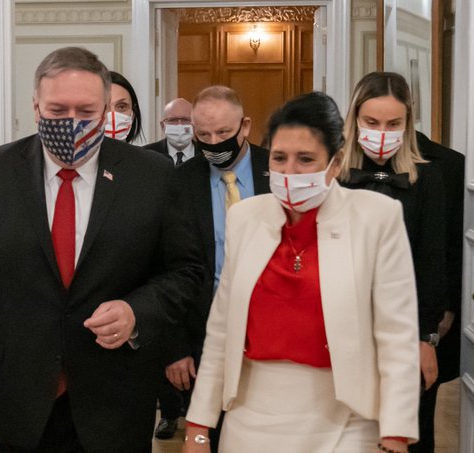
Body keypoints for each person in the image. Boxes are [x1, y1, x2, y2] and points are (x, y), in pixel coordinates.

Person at [0, 46, 203, 453]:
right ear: (36, 107)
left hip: (116, 399)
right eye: (57, 110)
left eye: (86, 111)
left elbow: (186, 271)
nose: (71, 122)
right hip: (20, 398)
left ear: (105, 110)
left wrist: (136, 311)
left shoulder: (152, 174)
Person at [182, 91, 420, 453]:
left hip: (347, 418)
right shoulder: (245, 218)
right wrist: (198, 429)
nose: (289, 172)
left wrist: (396, 434)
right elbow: (221, 330)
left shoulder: (376, 217)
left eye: (306, 159)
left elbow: (397, 336)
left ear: (335, 163)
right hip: (249, 417)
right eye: (279, 158)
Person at [337, 72, 448, 453]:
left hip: (405, 330)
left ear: (407, 124)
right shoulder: (333, 176)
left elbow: (432, 261)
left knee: (407, 435)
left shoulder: (428, 178)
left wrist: (425, 338)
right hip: (343, 329)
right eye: (371, 122)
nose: (382, 133)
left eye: (393, 124)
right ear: (354, 120)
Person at [166, 85, 269, 448]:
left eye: (223, 133)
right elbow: (168, 266)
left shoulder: (276, 169)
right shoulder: (179, 182)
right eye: (204, 135)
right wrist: (175, 347)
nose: (213, 143)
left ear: (245, 126)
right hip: (205, 337)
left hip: (271, 331)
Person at [413, 131, 465, 453]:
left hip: (422, 310)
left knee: (418, 420)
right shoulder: (341, 160)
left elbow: (454, 245)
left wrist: (446, 308)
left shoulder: (448, 165)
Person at [144, 98, 195, 166]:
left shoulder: (206, 155)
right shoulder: (145, 154)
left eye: (185, 119)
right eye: (172, 120)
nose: (179, 125)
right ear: (162, 126)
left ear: (195, 124)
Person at [105, 71, 143, 143]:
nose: (113, 116)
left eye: (121, 107)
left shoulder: (149, 151)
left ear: (133, 114)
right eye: (104, 107)